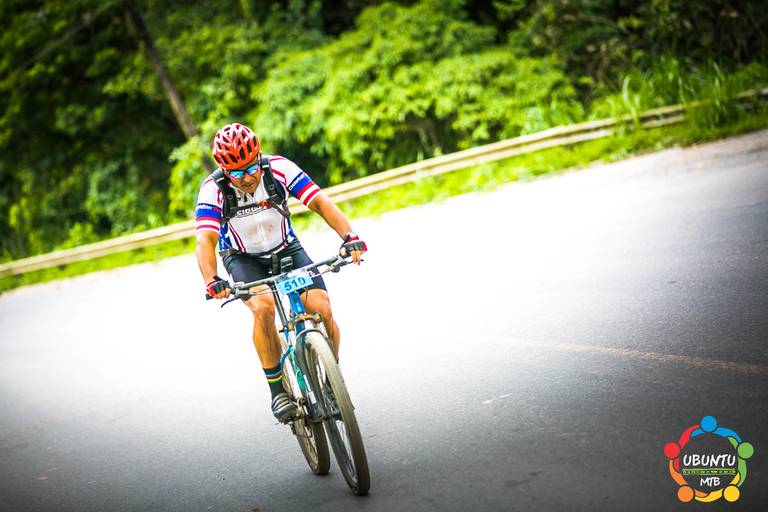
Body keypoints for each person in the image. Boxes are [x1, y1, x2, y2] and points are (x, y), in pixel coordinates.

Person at [195, 122, 367, 421]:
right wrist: (212, 279)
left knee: (321, 307)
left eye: (251, 168)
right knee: (264, 307)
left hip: (286, 248)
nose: (247, 178)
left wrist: (349, 236)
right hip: (243, 258)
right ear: (224, 170)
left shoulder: (279, 168)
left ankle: (333, 383)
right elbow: (205, 239)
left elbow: (320, 202)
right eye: (237, 173)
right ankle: (278, 392)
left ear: (258, 157)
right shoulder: (213, 189)